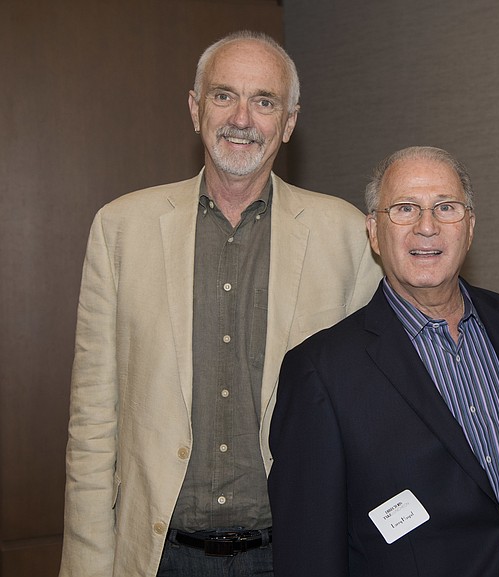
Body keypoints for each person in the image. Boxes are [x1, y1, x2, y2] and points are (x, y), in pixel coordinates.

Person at [60, 30, 382, 577]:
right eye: (223, 95)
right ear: (195, 108)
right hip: (158, 554)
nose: (242, 118)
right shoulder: (120, 229)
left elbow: (368, 419)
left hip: (291, 554)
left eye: (264, 101)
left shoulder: (349, 235)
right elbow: (93, 421)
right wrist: (88, 562)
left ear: (289, 121)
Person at [268, 146, 499, 577]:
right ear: (373, 231)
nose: (428, 227)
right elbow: (308, 552)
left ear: (470, 226)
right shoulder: (319, 372)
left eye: (446, 207)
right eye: (405, 209)